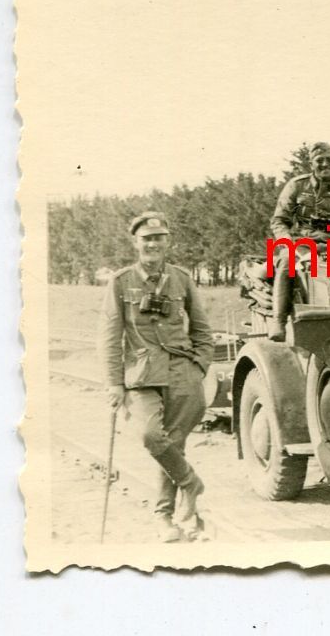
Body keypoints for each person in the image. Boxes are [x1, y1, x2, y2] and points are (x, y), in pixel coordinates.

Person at [98, 211, 214, 542]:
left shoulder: (181, 279)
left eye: (159, 238)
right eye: (146, 239)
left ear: (168, 242)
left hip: (182, 374)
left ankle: (166, 518)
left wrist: (199, 366)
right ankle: (191, 484)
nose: (153, 244)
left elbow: (202, 330)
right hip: (141, 376)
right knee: (151, 436)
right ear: (136, 243)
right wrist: (114, 382)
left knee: (173, 445)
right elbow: (109, 336)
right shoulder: (121, 282)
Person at [269, 142, 330, 340]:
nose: (325, 164)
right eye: (320, 161)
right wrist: (286, 241)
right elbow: (279, 221)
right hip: (303, 244)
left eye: (329, 160)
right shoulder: (296, 186)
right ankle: (279, 321)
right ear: (311, 164)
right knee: (287, 261)